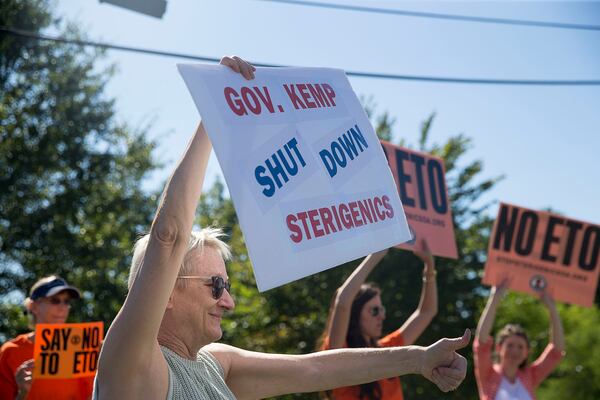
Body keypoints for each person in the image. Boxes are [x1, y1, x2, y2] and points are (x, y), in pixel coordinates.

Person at [94, 55, 471, 400]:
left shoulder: (215, 365)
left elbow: (315, 367)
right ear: (167, 290)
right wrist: (213, 113)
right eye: (216, 286)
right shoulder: (133, 364)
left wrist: (419, 359)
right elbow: (168, 237)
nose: (229, 301)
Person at [319, 241, 437, 400]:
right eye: (374, 310)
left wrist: (429, 267)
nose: (382, 316)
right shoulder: (340, 352)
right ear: (354, 315)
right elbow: (342, 303)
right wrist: (376, 254)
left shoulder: (387, 348)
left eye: (382, 309)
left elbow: (426, 312)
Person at [0, 275, 94, 400]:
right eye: (55, 300)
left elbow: (94, 395)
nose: (62, 307)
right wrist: (22, 393)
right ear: (33, 307)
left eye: (66, 301)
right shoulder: (11, 351)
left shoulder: (82, 348)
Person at [474, 277, 565, 400]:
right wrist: (495, 298)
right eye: (510, 345)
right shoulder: (489, 374)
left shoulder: (530, 377)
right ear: (499, 348)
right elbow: (482, 343)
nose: (515, 351)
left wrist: (552, 309)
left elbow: (556, 352)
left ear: (526, 353)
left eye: (521, 347)